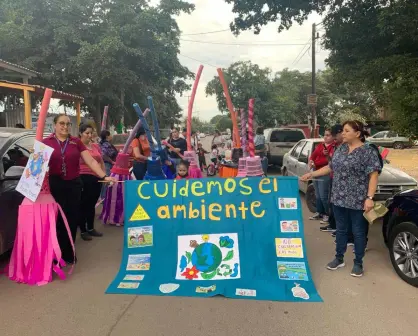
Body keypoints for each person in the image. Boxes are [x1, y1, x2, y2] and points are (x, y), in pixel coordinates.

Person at [301, 120, 381, 277]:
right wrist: (311, 174)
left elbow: (373, 175)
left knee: (358, 232)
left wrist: (369, 197)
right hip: (338, 198)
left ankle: (358, 262)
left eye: (346, 131)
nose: (342, 133)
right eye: (343, 131)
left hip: (358, 200)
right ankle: (339, 258)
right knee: (341, 230)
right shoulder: (341, 149)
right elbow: (330, 167)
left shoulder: (368, 151)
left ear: (357, 134)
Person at [43, 114, 115, 264]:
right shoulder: (46, 142)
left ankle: (69, 253)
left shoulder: (76, 142)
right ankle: (56, 254)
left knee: (71, 218)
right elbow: (37, 166)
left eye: (68, 124)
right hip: (55, 185)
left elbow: (90, 160)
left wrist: (104, 175)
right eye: (61, 123)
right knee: (56, 220)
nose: (65, 126)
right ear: (55, 125)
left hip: (74, 185)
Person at [78, 124, 105, 241]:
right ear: (80, 133)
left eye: (91, 133)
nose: (89, 135)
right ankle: (83, 230)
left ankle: (91, 228)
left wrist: (104, 176)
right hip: (83, 178)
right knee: (83, 205)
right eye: (87, 133)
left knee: (92, 205)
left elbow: (101, 161)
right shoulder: (77, 146)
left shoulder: (95, 146)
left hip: (96, 178)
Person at [308, 128, 335, 223]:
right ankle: (319, 212)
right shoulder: (320, 145)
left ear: (333, 137)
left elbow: (330, 163)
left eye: (328, 135)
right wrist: (311, 161)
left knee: (324, 195)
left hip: (325, 172)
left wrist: (317, 162)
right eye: (325, 135)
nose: (325, 137)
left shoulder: (333, 147)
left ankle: (327, 214)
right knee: (318, 194)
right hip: (316, 170)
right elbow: (313, 156)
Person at [320, 124, 343, 233]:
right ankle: (333, 225)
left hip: (342, 181)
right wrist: (327, 156)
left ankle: (340, 229)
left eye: (334, 135)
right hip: (333, 177)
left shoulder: (347, 148)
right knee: (332, 203)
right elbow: (332, 164)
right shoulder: (335, 147)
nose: (334, 138)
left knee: (338, 205)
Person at [99, 130, 118, 200]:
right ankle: (104, 197)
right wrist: (112, 161)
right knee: (106, 181)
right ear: (107, 136)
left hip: (106, 164)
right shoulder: (106, 144)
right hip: (106, 164)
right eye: (110, 135)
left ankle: (104, 197)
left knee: (106, 181)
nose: (111, 136)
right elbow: (103, 155)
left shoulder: (104, 143)